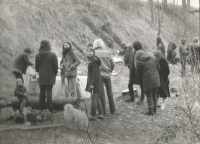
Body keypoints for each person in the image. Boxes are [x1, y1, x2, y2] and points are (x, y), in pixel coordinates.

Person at [93, 39, 115, 115]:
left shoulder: (94, 53)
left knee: (101, 94)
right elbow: (113, 64)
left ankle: (103, 112)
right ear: (102, 45)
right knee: (110, 92)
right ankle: (112, 110)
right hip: (107, 75)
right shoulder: (108, 52)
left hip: (98, 76)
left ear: (94, 45)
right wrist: (110, 71)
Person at [135, 50, 160, 116]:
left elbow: (139, 74)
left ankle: (150, 112)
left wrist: (141, 81)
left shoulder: (139, 62)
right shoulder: (153, 57)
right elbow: (158, 68)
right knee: (154, 93)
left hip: (148, 79)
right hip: (156, 78)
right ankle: (155, 110)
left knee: (149, 95)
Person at [35, 40, 58, 112]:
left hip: (42, 75)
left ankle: (41, 107)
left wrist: (40, 72)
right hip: (50, 75)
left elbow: (36, 67)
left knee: (42, 92)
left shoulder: (38, 55)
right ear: (49, 46)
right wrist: (55, 73)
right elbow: (55, 66)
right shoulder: (52, 55)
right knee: (49, 92)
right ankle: (50, 108)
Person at [85, 48, 104, 121]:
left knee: (93, 98)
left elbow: (95, 74)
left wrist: (92, 84)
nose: (89, 53)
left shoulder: (94, 61)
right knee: (96, 98)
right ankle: (100, 114)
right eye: (88, 51)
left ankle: (92, 115)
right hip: (95, 82)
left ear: (93, 52)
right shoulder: (92, 60)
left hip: (94, 82)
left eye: (90, 51)